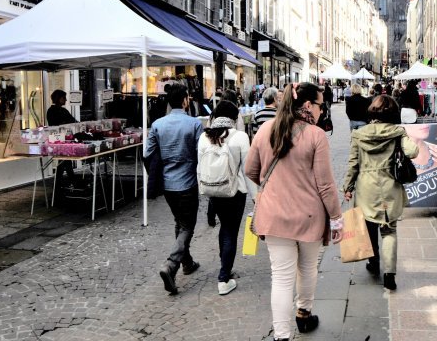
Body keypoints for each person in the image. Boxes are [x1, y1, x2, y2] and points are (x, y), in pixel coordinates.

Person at [245, 83, 343, 341]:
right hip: (309, 215)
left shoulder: (266, 129)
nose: (323, 111)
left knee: (281, 277)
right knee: (308, 267)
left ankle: (281, 335)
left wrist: (275, 188)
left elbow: (250, 170)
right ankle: (304, 314)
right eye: (322, 105)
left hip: (274, 216)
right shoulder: (315, 135)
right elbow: (325, 184)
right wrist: (336, 217)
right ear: (309, 105)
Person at [342, 95, 418, 291]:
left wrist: (347, 187)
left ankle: (373, 262)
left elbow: (353, 163)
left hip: (366, 187)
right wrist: (404, 136)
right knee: (389, 229)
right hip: (389, 186)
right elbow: (413, 152)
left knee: (368, 226)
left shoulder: (359, 134)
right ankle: (389, 275)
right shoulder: (397, 132)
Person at [146, 83, 203, 295]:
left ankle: (187, 262)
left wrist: (157, 173)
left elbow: (147, 154)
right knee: (187, 225)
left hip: (168, 183)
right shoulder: (194, 124)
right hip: (187, 182)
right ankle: (171, 265)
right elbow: (201, 152)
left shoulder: (158, 124)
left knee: (180, 222)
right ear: (186, 100)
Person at [198, 101, 254, 295]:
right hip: (235, 192)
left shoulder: (204, 138)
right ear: (234, 117)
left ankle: (226, 268)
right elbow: (248, 171)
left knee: (224, 228)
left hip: (213, 190)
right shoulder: (240, 137)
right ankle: (224, 278)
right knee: (231, 231)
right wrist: (256, 197)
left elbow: (200, 167)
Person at [47, 90, 77, 188]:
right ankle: (71, 181)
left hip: (62, 139)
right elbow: (56, 125)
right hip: (59, 139)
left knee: (64, 160)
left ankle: (60, 182)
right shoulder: (54, 111)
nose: (66, 100)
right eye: (64, 98)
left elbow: (73, 121)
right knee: (65, 160)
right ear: (58, 98)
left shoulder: (61, 110)